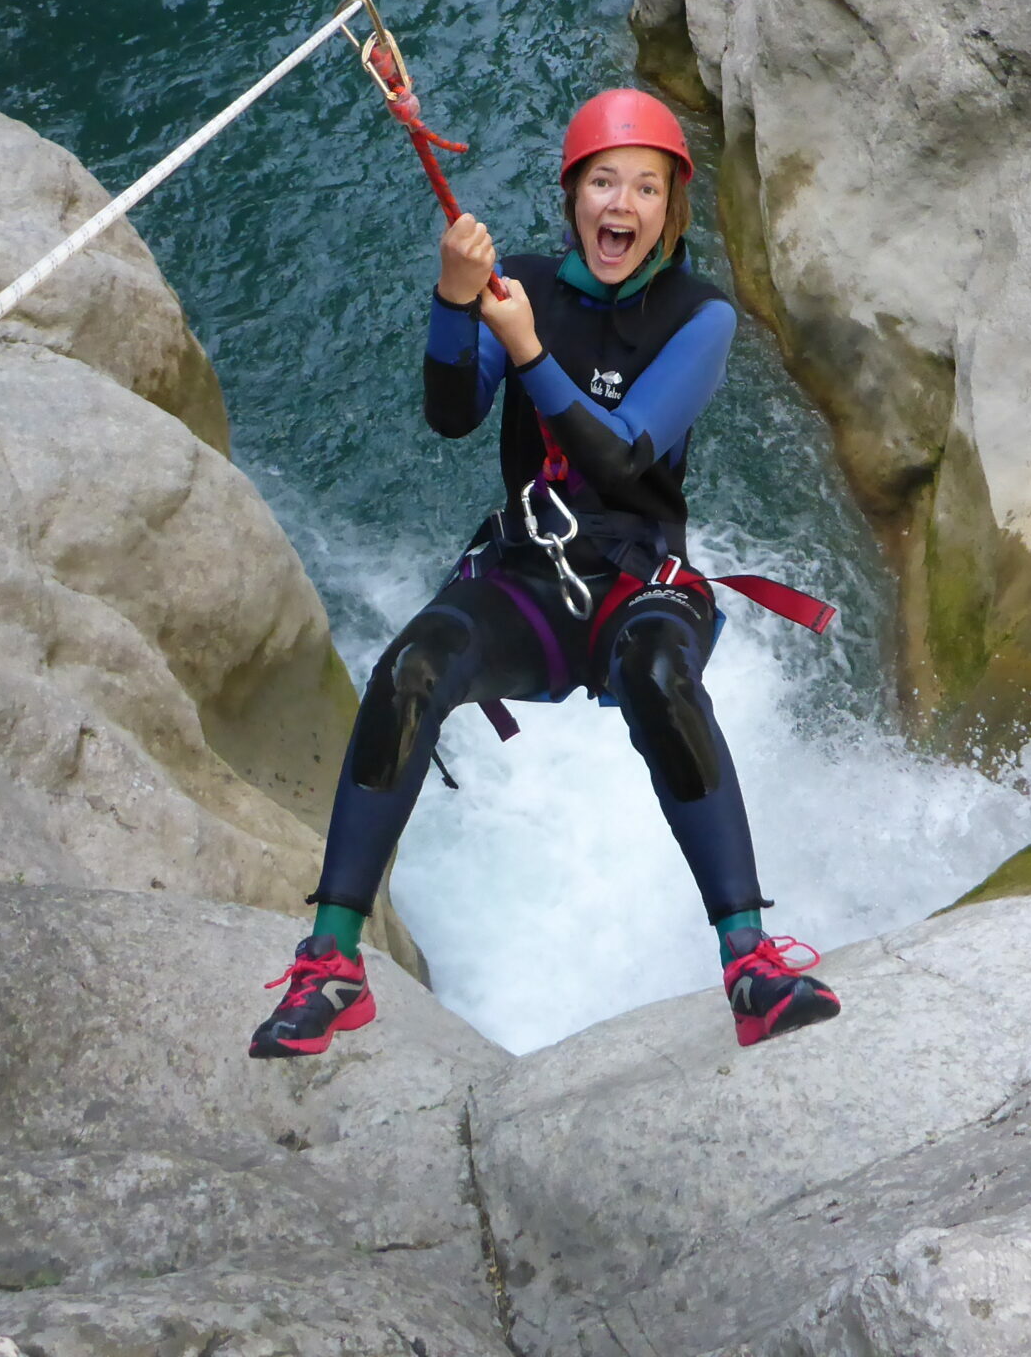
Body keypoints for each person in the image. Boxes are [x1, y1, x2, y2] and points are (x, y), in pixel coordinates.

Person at [250, 88, 840, 1057]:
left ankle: (751, 958)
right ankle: (332, 963)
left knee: (660, 677)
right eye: (604, 183)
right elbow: (450, 415)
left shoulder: (701, 317)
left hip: (637, 581)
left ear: (670, 208)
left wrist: (526, 348)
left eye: (645, 187)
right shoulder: (521, 284)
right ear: (573, 198)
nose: (623, 204)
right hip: (526, 575)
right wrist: (455, 304)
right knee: (412, 667)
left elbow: (619, 458)